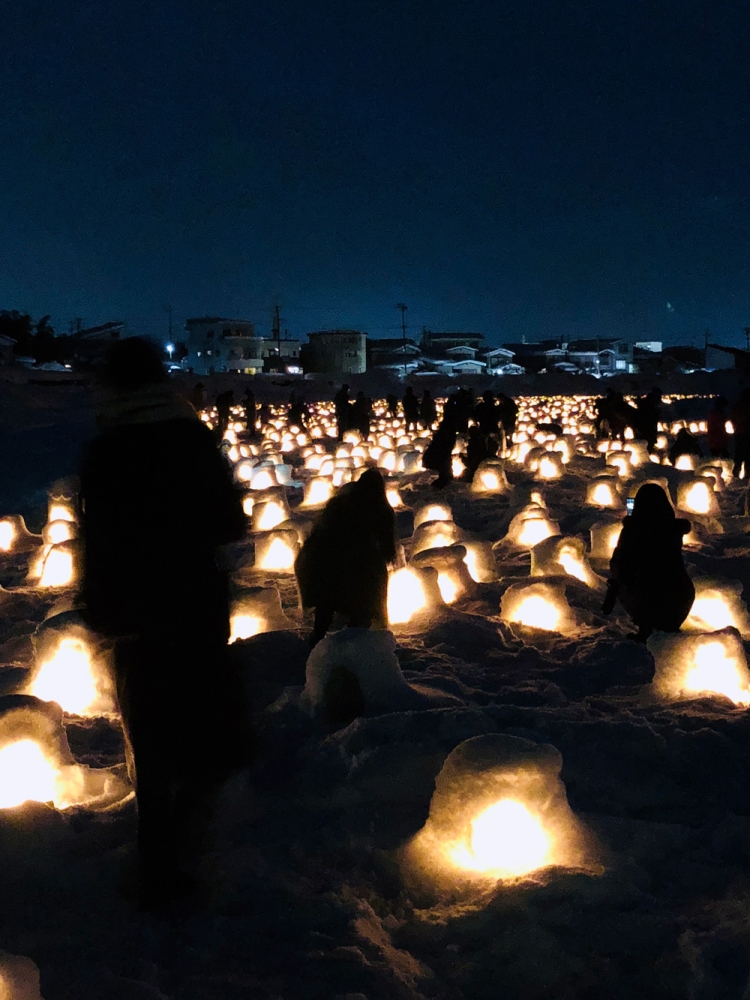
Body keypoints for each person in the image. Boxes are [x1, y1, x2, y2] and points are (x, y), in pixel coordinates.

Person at [80, 338, 252, 909]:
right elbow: (227, 522)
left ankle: (158, 862)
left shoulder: (105, 450)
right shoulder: (191, 440)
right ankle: (196, 834)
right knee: (202, 716)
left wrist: (104, 602)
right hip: (192, 602)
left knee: (150, 735)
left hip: (135, 611)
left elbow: (97, 541)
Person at [295, 468, 396, 648]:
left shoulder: (341, 502)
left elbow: (320, 530)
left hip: (327, 559)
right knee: (364, 599)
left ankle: (319, 635)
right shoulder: (380, 509)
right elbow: (386, 547)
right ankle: (357, 640)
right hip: (355, 564)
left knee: (327, 599)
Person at [602, 483, 694, 642]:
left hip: (648, 599)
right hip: (681, 598)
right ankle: (667, 625)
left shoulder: (634, 530)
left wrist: (615, 588)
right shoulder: (673, 530)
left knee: (641, 583)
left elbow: (621, 563)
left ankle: (647, 628)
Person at [422, 417, 457, 489]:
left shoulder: (442, 433)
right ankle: (444, 478)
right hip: (441, 451)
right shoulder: (446, 434)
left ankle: (445, 477)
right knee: (444, 464)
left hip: (441, 451)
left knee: (444, 465)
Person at [730, 388, 750, 478]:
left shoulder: (736, 407)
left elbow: (732, 419)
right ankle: (746, 478)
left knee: (739, 456)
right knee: (747, 458)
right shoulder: (747, 407)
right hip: (746, 434)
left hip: (739, 435)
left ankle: (736, 477)